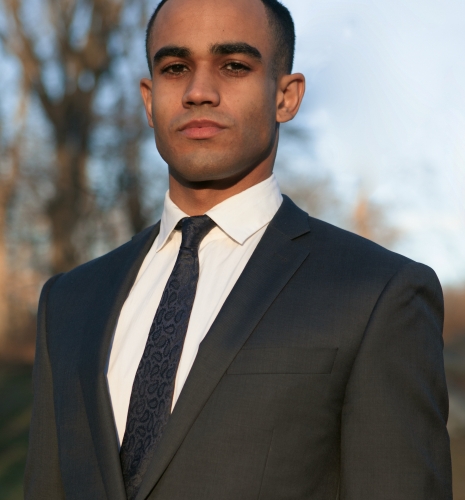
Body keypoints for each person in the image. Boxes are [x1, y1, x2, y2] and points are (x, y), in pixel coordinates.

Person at [24, 0, 452, 498]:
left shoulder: (378, 295)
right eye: (175, 67)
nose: (198, 91)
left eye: (234, 66)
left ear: (286, 97)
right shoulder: (69, 302)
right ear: (148, 98)